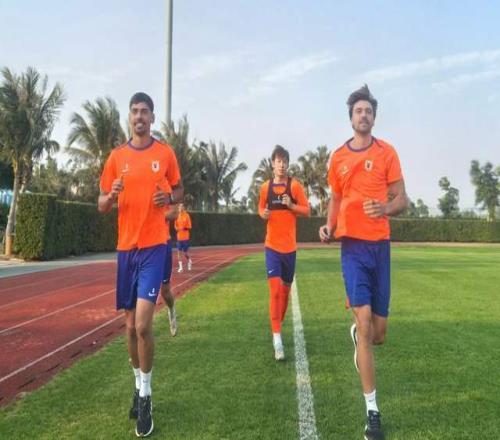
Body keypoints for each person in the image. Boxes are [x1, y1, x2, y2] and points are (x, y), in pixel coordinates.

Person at [319, 85, 408, 440]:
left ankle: (359, 335)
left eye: (368, 110)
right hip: (353, 248)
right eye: (358, 110)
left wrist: (384, 207)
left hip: (380, 248)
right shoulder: (338, 157)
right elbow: (335, 198)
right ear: (351, 117)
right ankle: (373, 413)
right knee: (366, 320)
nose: (364, 115)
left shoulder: (388, 153)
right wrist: (329, 226)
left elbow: (403, 199)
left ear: (374, 117)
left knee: (378, 334)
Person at [98, 92, 183, 438]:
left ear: (152, 118)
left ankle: (146, 396)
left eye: (144, 111)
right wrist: (111, 195)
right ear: (129, 117)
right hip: (125, 250)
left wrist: (169, 197)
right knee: (130, 326)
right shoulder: (116, 157)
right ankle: (137, 385)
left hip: (154, 247)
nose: (139, 117)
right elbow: (101, 204)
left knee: (144, 324)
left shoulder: (165, 153)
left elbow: (179, 191)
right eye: (134, 111)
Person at [258, 145, 310, 361]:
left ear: (288, 164)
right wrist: (263, 214)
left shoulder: (294, 186)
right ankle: (277, 339)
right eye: (278, 161)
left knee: (285, 293)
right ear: (273, 163)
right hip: (272, 247)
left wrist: (292, 206)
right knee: (275, 291)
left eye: (285, 161)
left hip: (290, 249)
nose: (281, 165)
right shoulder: (265, 188)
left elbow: (307, 210)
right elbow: (260, 208)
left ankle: (276, 324)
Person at [160, 204, 179, 337]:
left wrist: (152, 215)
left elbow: (173, 213)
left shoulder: (165, 193)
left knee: (165, 291)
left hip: (162, 244)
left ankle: (171, 309)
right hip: (140, 245)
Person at [174, 203, 192, 272]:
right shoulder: (177, 216)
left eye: (181, 207)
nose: (180, 208)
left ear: (183, 208)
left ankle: (189, 260)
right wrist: (177, 228)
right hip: (179, 237)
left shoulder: (186, 215)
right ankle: (180, 268)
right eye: (179, 207)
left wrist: (184, 228)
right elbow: (175, 225)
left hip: (185, 237)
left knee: (185, 253)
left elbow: (189, 226)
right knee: (179, 252)